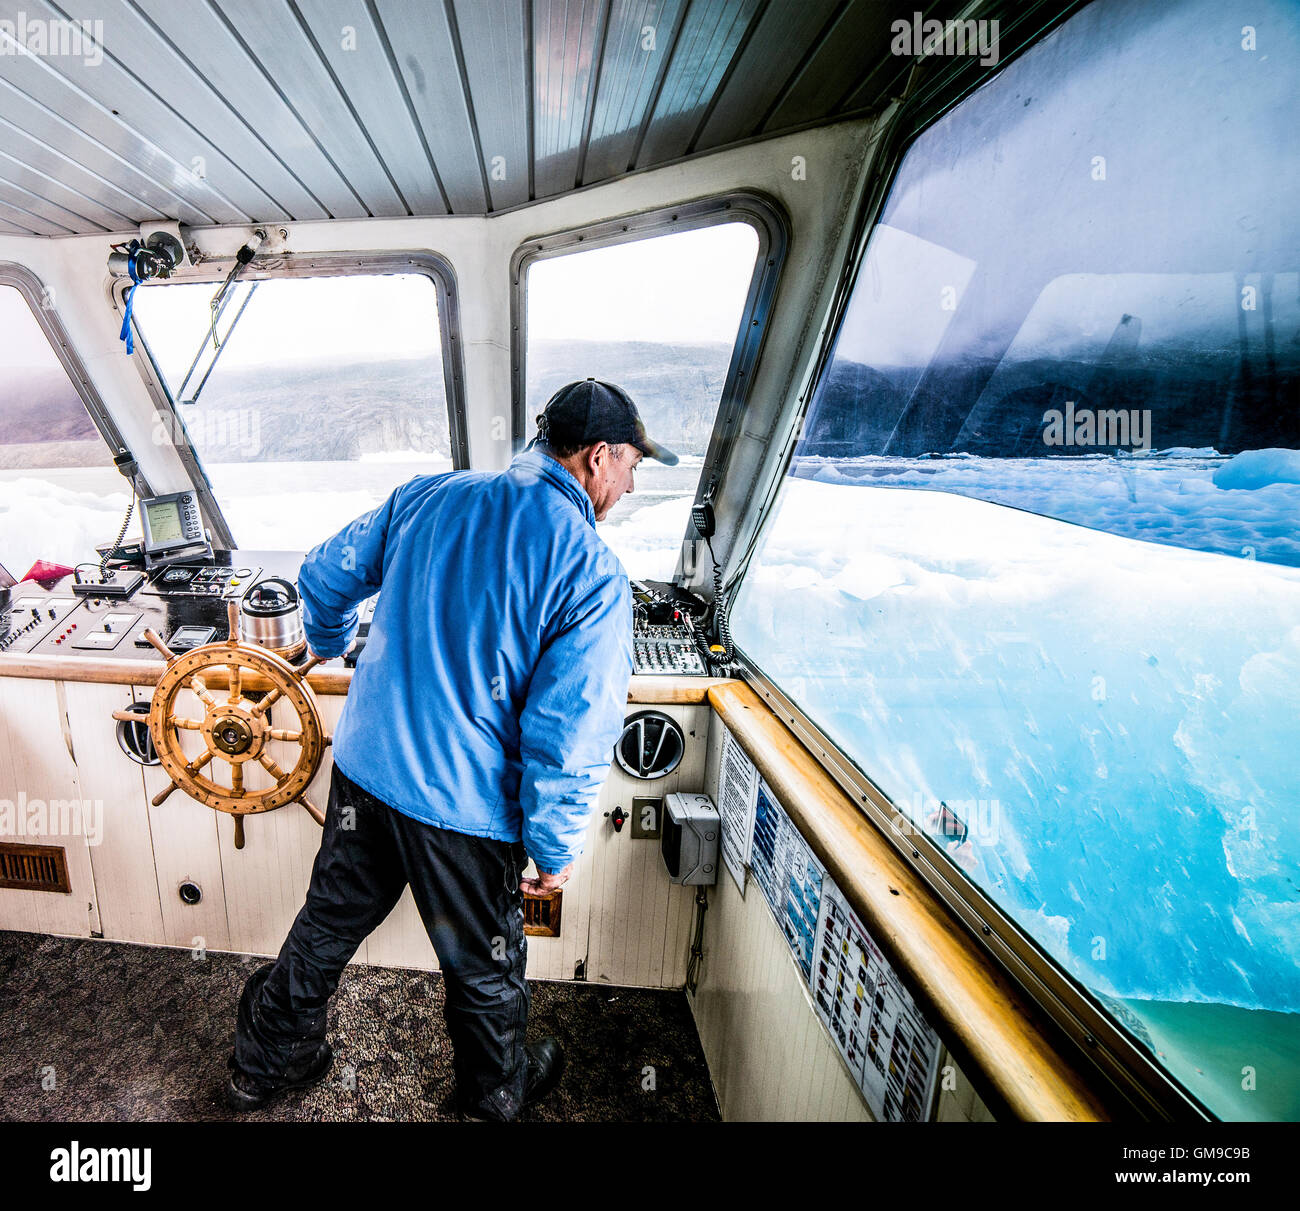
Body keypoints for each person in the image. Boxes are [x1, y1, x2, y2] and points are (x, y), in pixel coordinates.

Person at [223, 379, 677, 1120]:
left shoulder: (428, 495)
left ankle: (263, 1063)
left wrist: (335, 647)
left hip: (366, 772)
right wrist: (554, 849)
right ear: (599, 457)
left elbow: (322, 575)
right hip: (462, 809)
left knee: (327, 923)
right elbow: (569, 732)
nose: (628, 483)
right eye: (631, 466)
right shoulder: (592, 573)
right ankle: (490, 1099)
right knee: (484, 969)